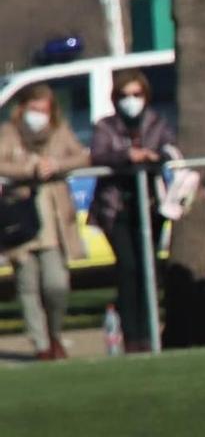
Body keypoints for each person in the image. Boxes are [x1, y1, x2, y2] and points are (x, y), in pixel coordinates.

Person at [89, 70, 176, 354]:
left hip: (150, 208)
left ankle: (150, 333)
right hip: (117, 209)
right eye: (125, 95)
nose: (131, 101)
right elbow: (99, 155)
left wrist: (156, 157)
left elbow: (171, 150)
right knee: (128, 269)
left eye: (136, 95)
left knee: (148, 270)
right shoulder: (106, 126)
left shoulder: (157, 122)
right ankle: (132, 337)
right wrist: (126, 156)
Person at [0, 85, 89, 359]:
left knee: (56, 284)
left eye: (44, 110)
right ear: (23, 108)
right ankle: (41, 346)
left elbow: (84, 155)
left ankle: (55, 333)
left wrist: (57, 165)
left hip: (53, 221)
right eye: (34, 109)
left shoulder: (60, 131)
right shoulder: (8, 133)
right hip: (20, 221)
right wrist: (27, 170)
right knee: (28, 286)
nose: (38, 115)